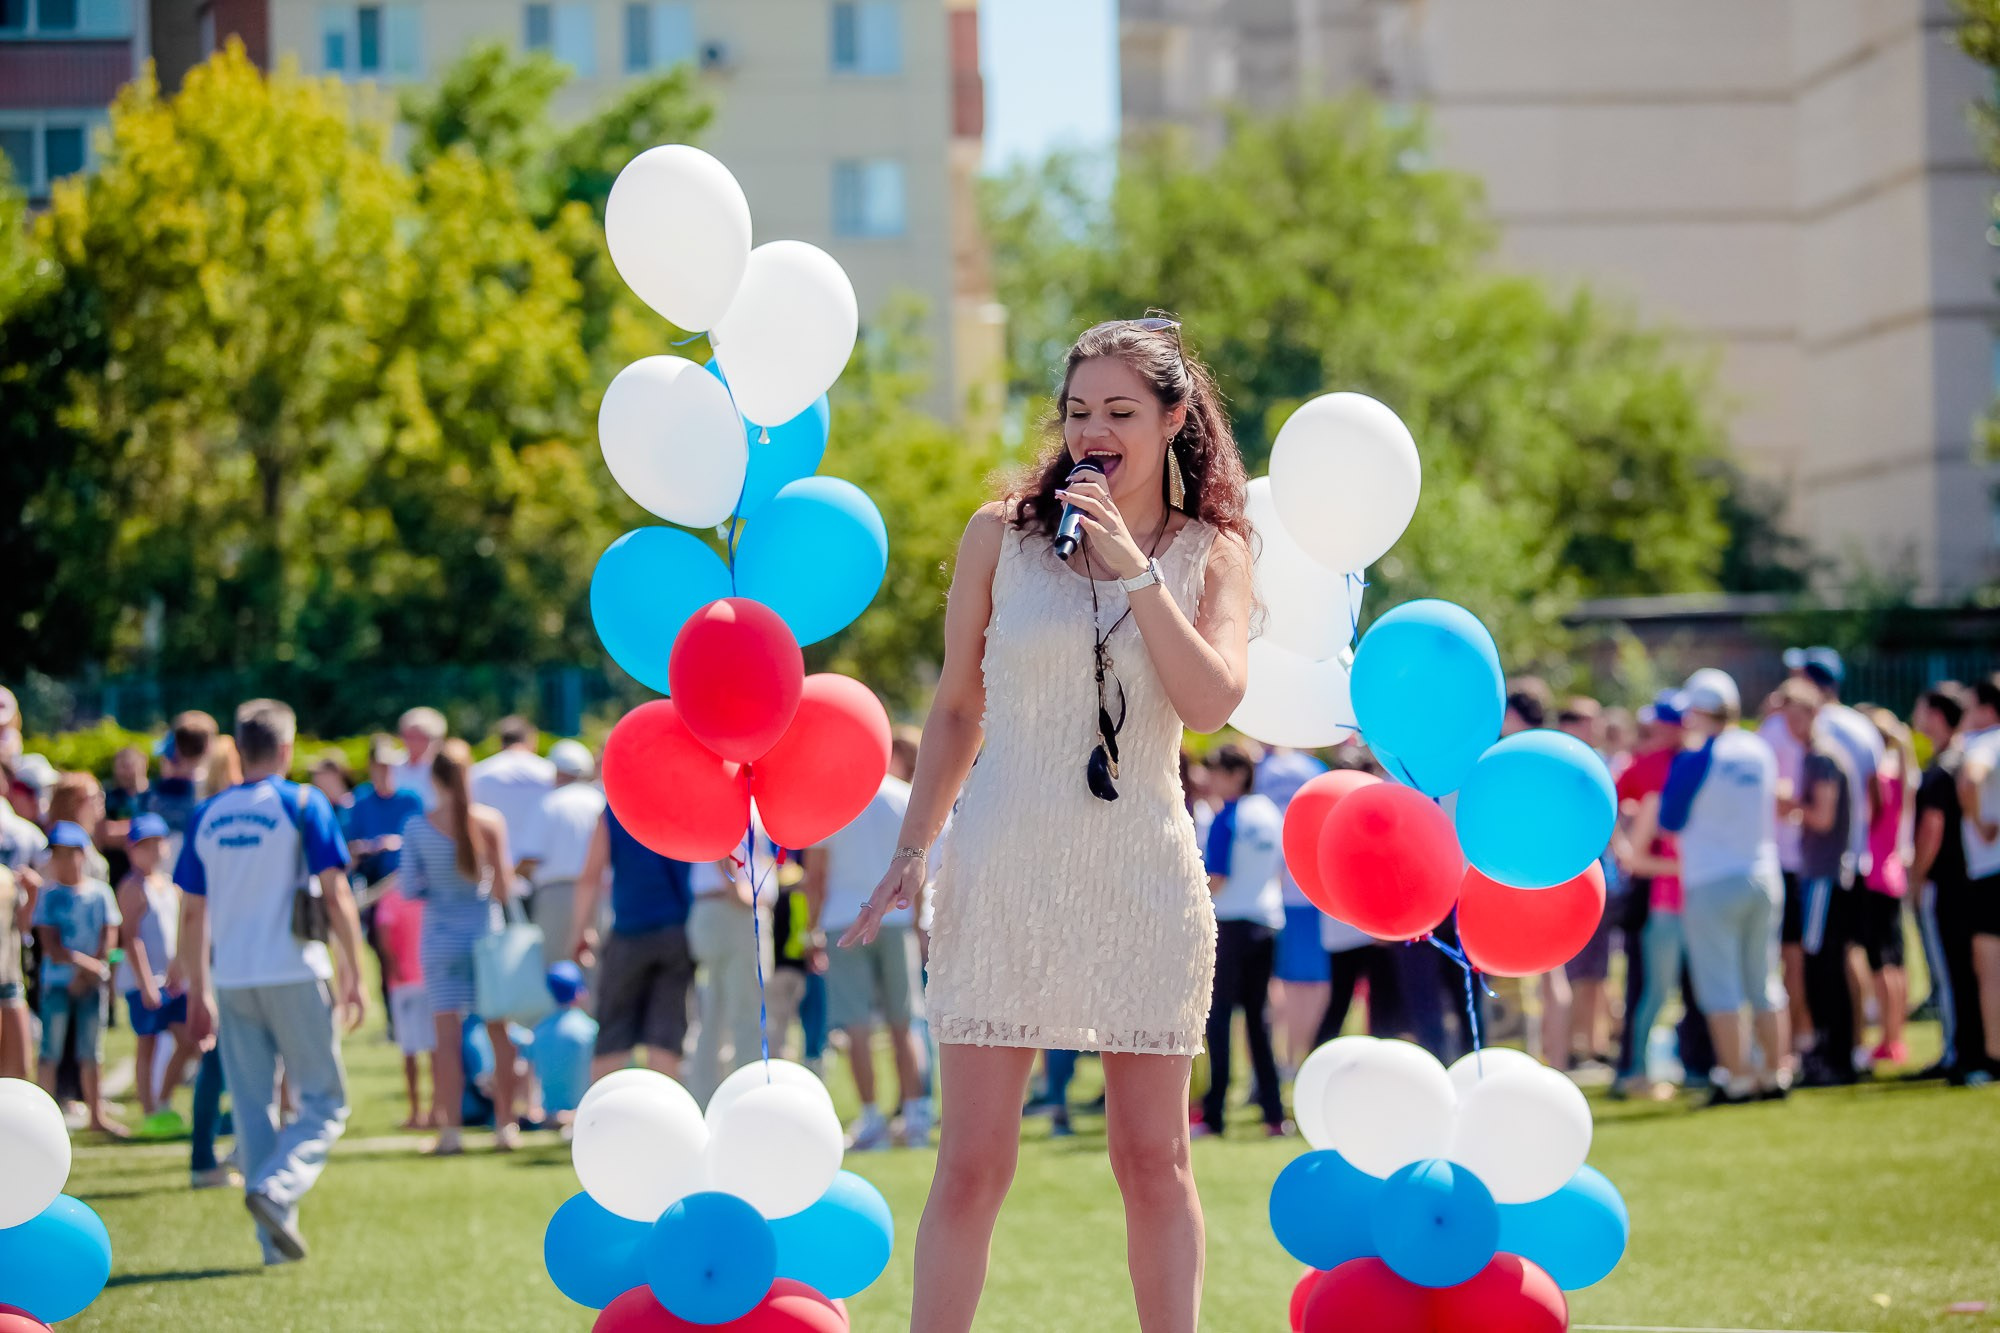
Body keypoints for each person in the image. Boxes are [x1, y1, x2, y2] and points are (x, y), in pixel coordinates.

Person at [840, 316, 1255, 1331]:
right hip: (1002, 866)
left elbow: (1207, 703)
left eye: (1119, 411)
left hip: (1142, 878)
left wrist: (1133, 570)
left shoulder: (1215, 554)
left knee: (1149, 1157)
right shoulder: (998, 537)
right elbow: (952, 709)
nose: (1093, 432)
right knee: (972, 1158)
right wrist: (909, 851)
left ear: (1172, 418)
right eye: (1076, 413)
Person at [177, 700, 366, 1262]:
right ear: (286, 749)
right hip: (295, 972)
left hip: (233, 978)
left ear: (238, 749)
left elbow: (191, 912)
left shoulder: (206, 814)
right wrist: (355, 971)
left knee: (253, 1106)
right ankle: (277, 1190)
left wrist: (197, 989)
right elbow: (335, 894)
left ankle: (274, 1244)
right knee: (325, 1103)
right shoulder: (305, 802)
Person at [1658, 669, 1790, 1105]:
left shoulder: (1697, 757)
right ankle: (1775, 1073)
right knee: (1765, 981)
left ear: (1698, 711)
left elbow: (1670, 820)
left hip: (1712, 879)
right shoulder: (1759, 749)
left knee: (1722, 986)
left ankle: (1737, 1078)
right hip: (1763, 874)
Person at [804, 729, 930, 1150]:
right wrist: (918, 923)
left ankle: (873, 1118)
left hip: (845, 921)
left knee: (855, 1024)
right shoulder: (902, 796)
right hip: (896, 919)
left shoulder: (831, 800)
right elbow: (925, 863)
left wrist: (810, 932)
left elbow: (815, 877)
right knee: (903, 1020)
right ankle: (914, 1117)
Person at [397, 738, 519, 1155]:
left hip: (441, 941)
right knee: (500, 1035)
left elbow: (410, 887)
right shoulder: (490, 822)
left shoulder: (417, 826)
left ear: (434, 777)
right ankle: (506, 1124)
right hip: (486, 938)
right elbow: (504, 888)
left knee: (445, 1042)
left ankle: (450, 1132)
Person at [1770, 678, 1862, 1087]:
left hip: (1823, 875)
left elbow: (1822, 817)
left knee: (1822, 969)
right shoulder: (1819, 755)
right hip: (1822, 873)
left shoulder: (1821, 758)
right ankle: (1831, 1054)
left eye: (1797, 715)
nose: (1791, 724)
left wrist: (1790, 805)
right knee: (1821, 966)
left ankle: (1832, 1055)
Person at [1194, 744, 1286, 1138]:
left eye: (1216, 772)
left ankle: (1215, 1114)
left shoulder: (1226, 817)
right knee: (1258, 1021)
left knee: (1219, 1021)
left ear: (1236, 775)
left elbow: (1217, 879)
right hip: (1267, 920)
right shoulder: (1269, 813)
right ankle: (1273, 1113)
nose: (1210, 781)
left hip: (1230, 923)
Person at [570, 808, 695, 1081]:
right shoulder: (682, 801)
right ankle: (666, 1117)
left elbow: (591, 874)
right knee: (666, 1035)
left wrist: (581, 931)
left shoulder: (616, 808)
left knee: (614, 1031)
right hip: (677, 930)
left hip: (629, 931)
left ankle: (601, 1116)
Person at [1612, 693, 1687, 1097]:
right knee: (1648, 986)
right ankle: (1634, 1070)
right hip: (1655, 891)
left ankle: (1695, 1063)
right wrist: (1624, 850)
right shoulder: (1643, 765)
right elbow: (1609, 804)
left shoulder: (1691, 762)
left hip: (1684, 892)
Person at [1910, 684, 1983, 1082]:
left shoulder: (1944, 768)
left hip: (1946, 883)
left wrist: (1917, 876)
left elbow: (1931, 829)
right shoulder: (1963, 759)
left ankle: (1958, 1052)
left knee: (1950, 973)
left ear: (1936, 715)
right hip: (1967, 880)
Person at [32, 821, 125, 1135]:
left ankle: (96, 1116)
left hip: (89, 985)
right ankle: (42, 1119)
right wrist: (88, 967)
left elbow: (110, 939)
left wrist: (90, 973)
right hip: (57, 984)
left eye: (67, 854)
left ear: (81, 855)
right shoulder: (49, 895)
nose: (62, 861)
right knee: (50, 1052)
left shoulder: (100, 893)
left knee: (91, 1052)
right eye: (57, 855)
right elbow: (51, 946)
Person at [1255, 745, 1331, 1078]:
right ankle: (1296, 1061)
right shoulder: (1315, 770)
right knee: (1309, 985)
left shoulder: (1262, 770)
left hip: (1271, 893)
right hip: (1311, 890)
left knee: (1275, 985)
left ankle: (1276, 1064)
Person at [687, 829, 776, 1105]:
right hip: (732, 911)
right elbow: (725, 841)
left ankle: (708, 1100)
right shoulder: (735, 799)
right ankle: (748, 1099)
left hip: (717, 910)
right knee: (746, 1015)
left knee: (715, 1015)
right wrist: (739, 891)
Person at [345, 737, 425, 1030]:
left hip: (406, 886)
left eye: (389, 766)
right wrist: (371, 847)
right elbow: (350, 848)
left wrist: (396, 844)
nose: (384, 772)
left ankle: (415, 1018)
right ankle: (396, 1020)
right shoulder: (362, 802)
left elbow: (421, 840)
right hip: (375, 887)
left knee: (412, 957)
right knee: (384, 955)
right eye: (379, 766)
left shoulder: (411, 799)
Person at [117, 813, 193, 1122]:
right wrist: (146, 981)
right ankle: (149, 1112)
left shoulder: (170, 886)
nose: (151, 851)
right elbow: (131, 938)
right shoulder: (132, 888)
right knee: (146, 1043)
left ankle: (163, 1099)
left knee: (189, 1041)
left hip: (172, 981)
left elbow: (180, 931)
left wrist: (180, 968)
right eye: (143, 845)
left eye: (156, 843)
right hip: (144, 982)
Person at [1857, 705, 1916, 1066]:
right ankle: (1895, 1036)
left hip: (1874, 874)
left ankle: (1888, 1038)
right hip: (1892, 874)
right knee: (1895, 961)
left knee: (1880, 963)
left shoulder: (1877, 778)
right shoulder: (1901, 772)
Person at [1953, 674, 2000, 1085]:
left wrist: (1978, 819)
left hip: (1990, 872)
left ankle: (1993, 1055)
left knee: (1989, 968)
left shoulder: (1985, 743)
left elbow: (1970, 777)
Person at [515, 739, 604, 951]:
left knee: (555, 967)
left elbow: (531, 858)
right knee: (597, 967)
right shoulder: (601, 801)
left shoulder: (549, 803)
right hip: (600, 893)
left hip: (557, 894)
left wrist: (512, 875)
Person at [372, 879, 433, 1128]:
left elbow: (384, 937)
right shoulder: (427, 896)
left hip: (405, 983)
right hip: (429, 979)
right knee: (435, 1050)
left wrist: (393, 968)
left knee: (411, 1050)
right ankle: (437, 1110)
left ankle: (417, 1112)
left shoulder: (390, 899)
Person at [471, 716, 555, 874]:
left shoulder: (479, 774)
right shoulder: (550, 773)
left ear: (500, 741)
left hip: (494, 868)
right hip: (539, 868)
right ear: (531, 739)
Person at [531, 961, 597, 1129]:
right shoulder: (591, 1030)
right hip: (584, 1109)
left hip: (547, 1113)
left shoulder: (538, 1031)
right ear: (580, 992)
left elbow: (528, 1074)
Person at [392, 706, 448, 812]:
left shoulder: (441, 769)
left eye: (419, 737)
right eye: (408, 736)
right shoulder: (392, 765)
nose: (412, 742)